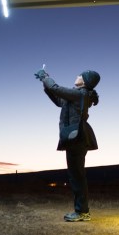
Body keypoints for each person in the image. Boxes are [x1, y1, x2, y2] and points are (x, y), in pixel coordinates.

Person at [34, 67, 100, 221]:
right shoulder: (78, 95)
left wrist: (45, 77)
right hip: (77, 138)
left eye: (80, 75)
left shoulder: (80, 94)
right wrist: (46, 84)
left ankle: (82, 212)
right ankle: (82, 211)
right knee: (76, 175)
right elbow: (59, 100)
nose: (76, 76)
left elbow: (55, 88)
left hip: (77, 138)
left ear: (85, 81)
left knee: (77, 176)